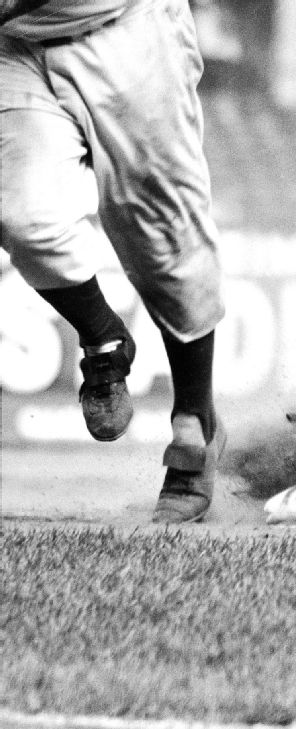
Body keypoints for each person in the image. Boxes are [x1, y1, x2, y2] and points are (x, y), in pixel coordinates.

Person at [1, 0, 226, 523]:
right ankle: (105, 339)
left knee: (164, 234)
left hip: (126, 31)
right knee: (23, 217)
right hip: (15, 44)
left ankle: (195, 421)